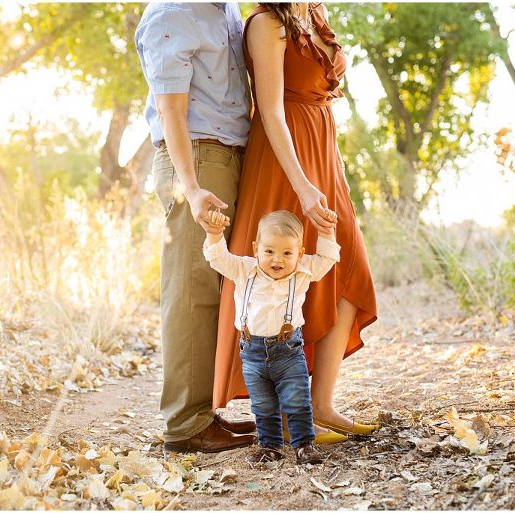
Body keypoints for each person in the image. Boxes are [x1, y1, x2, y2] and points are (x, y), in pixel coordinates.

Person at [212, 2, 380, 441]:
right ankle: (289, 416)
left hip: (324, 150)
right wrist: (303, 186)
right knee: (279, 275)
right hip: (284, 157)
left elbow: (324, 101)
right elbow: (270, 111)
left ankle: (322, 404)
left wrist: (332, 176)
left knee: (347, 271)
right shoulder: (267, 24)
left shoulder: (315, 18)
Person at [135, 2, 256, 453]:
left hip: (228, 157)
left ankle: (203, 412)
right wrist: (191, 187)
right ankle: (185, 425)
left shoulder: (225, 10)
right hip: (197, 161)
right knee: (191, 289)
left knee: (217, 285)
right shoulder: (172, 13)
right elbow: (171, 110)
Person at [204, 209, 338, 464]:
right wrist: (214, 235)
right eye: (269, 252)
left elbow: (326, 258)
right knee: (263, 405)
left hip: (288, 351)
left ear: (299, 254)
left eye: (287, 253)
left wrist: (326, 231)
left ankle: (304, 446)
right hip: (252, 353)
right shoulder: (244, 270)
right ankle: (270, 447)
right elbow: (218, 258)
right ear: (256, 249)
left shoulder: (302, 272)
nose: (277, 260)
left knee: (297, 400)